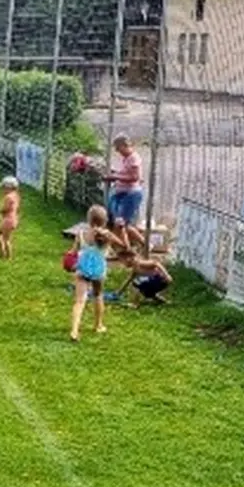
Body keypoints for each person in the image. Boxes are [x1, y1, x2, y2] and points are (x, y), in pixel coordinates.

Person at [70, 205, 114, 342]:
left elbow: (73, 252)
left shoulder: (81, 234)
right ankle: (98, 325)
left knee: (79, 301)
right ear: (105, 220)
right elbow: (112, 251)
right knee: (98, 296)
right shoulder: (107, 236)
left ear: (88, 219)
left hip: (82, 270)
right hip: (98, 271)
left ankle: (74, 330)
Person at [104, 134, 144, 250]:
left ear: (123, 145)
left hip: (131, 194)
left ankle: (125, 248)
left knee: (121, 224)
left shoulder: (133, 158)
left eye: (118, 147)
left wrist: (115, 178)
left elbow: (135, 177)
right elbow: (126, 173)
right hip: (122, 193)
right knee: (121, 223)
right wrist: (116, 174)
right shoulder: (126, 158)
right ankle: (138, 246)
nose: (117, 151)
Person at [0, 176, 21, 260]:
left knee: (6, 239)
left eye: (3, 188)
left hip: (8, 220)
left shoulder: (8, 197)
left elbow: (5, 209)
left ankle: (8, 257)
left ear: (9, 188)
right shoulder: (15, 195)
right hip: (12, 219)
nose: (2, 190)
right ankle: (2, 253)